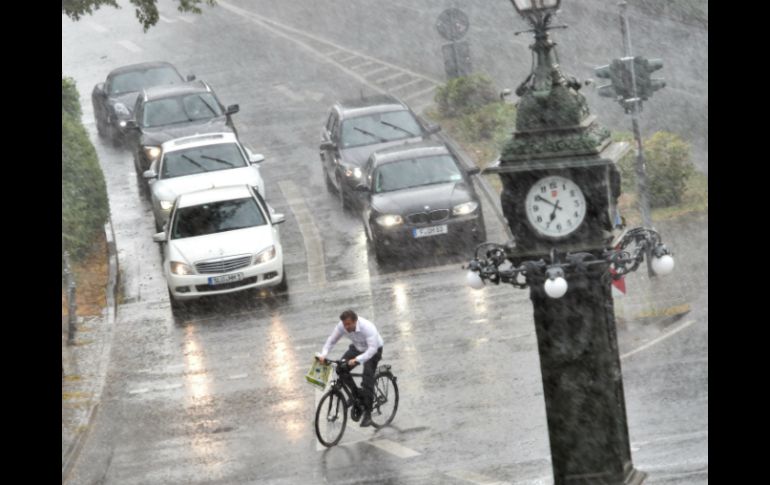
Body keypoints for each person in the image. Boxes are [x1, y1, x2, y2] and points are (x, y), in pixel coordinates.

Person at [318, 309, 384, 427]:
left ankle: (368, 414)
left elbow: (372, 349)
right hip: (357, 348)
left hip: (373, 350)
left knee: (367, 379)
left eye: (349, 324)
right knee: (340, 368)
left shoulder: (367, 327)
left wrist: (357, 360)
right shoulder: (342, 326)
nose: (346, 327)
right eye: (344, 324)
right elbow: (331, 341)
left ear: (355, 321)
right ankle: (356, 395)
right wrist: (324, 354)